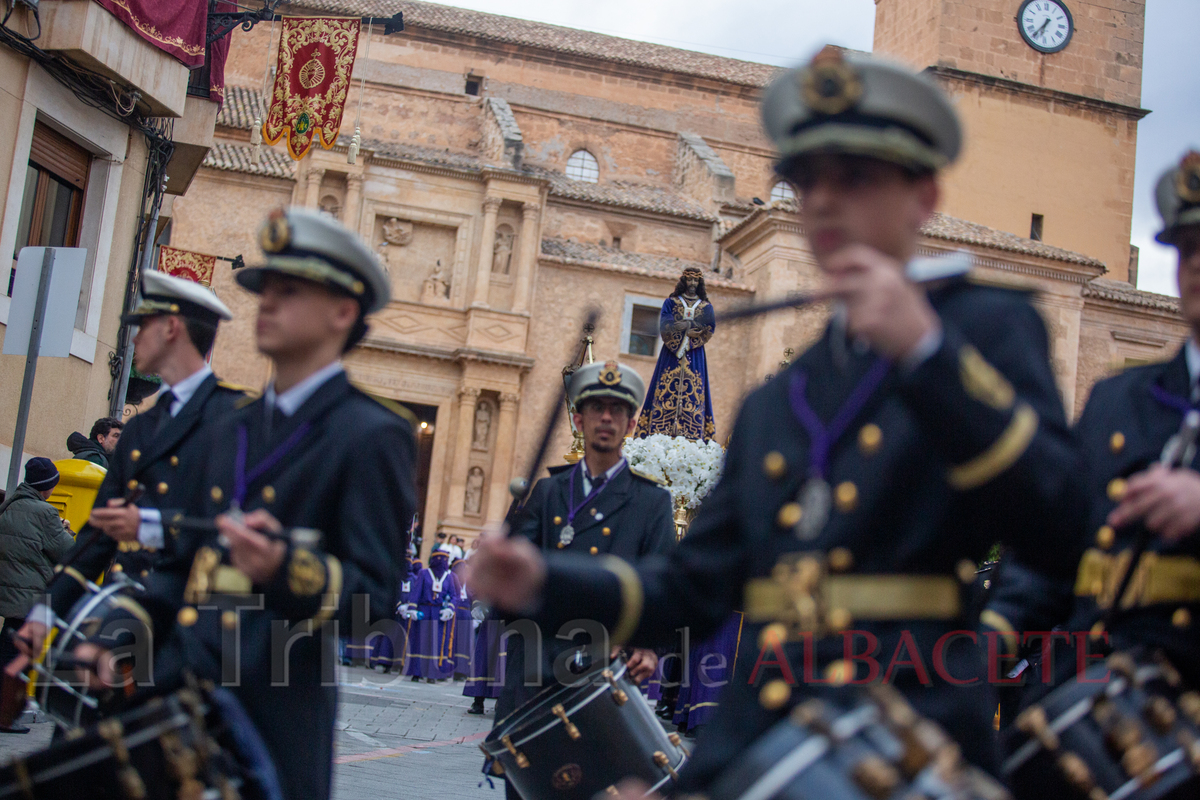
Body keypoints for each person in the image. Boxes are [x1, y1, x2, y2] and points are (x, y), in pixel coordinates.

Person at [468, 46, 1087, 792]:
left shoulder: (985, 330)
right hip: (757, 736)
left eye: (854, 177)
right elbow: (694, 588)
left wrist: (927, 356)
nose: (823, 200)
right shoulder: (777, 399)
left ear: (923, 195)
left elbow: (1061, 522)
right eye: (807, 179)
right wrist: (541, 576)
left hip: (909, 732)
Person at [69, 207, 417, 800]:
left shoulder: (370, 433)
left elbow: (373, 604)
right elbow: (180, 565)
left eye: (289, 291)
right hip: (178, 701)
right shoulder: (229, 425)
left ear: (342, 312)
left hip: (272, 721)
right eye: (265, 290)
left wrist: (288, 570)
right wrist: (118, 630)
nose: (267, 304)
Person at [7, 270, 242, 683]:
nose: (133, 340)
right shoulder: (139, 430)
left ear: (171, 328)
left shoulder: (235, 420)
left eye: (142, 327)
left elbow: (237, 534)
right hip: (119, 620)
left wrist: (150, 528)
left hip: (184, 634)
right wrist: (46, 610)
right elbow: (96, 537)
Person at [488, 359, 676, 799]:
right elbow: (512, 588)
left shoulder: (651, 502)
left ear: (631, 423)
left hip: (601, 682)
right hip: (536, 676)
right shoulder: (549, 493)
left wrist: (648, 645)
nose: (606, 418)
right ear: (579, 418)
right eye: (596, 408)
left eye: (616, 410)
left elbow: (666, 587)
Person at [0, 458, 74, 732]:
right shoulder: (44, 513)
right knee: (20, 657)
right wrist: (67, 529)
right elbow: (69, 552)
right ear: (48, 486)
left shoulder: (11, 505)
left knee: (7, 650)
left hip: (10, 592)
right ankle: (6, 715)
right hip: (30, 595)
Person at [634, 266, 717, 440]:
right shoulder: (671, 302)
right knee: (663, 388)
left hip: (695, 355)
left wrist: (691, 335)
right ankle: (657, 434)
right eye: (689, 279)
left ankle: (693, 436)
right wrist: (686, 331)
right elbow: (665, 324)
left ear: (699, 283)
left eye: (696, 280)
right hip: (671, 355)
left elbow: (709, 327)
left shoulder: (706, 307)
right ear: (684, 281)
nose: (692, 283)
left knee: (695, 392)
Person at [402, 549, 461, 683]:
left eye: (444, 559)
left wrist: (450, 609)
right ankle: (417, 672)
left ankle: (432, 673)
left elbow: (454, 596)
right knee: (420, 641)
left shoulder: (450, 576)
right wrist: (412, 609)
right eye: (439, 559)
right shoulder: (424, 573)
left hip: (439, 613)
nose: (442, 562)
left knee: (437, 643)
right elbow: (416, 592)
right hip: (424, 611)